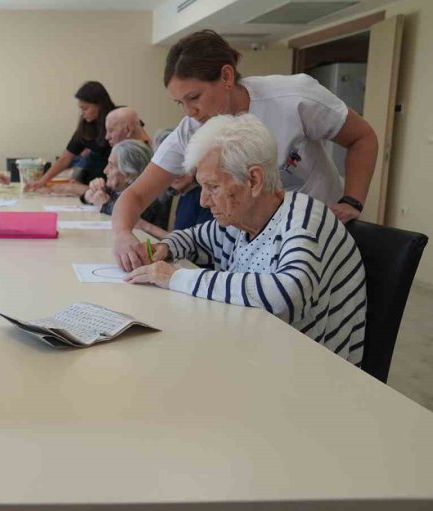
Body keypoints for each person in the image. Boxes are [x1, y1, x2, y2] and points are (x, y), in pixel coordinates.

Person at [111, 30, 379, 271]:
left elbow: (362, 138)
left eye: (194, 98)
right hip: (255, 239)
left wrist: (352, 201)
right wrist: (123, 234)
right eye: (180, 102)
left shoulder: (294, 98)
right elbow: (135, 194)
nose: (189, 112)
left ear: (226, 76)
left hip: (312, 234)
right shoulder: (192, 128)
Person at [126, 114, 366, 364]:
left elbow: (285, 295)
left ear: (253, 180)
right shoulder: (241, 218)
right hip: (260, 350)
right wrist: (165, 248)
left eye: (213, 187)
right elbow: (196, 238)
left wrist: (175, 277)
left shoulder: (304, 221)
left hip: (314, 372)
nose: (203, 200)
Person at [26, 81, 118, 189]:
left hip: (115, 183)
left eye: (85, 108)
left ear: (100, 105)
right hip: (93, 185)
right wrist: (43, 180)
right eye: (81, 108)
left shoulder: (120, 117)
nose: (82, 113)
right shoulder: (86, 126)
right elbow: (66, 158)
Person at [81, 140, 166, 227]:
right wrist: (92, 192)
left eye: (111, 166)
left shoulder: (147, 197)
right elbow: (90, 197)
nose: (105, 171)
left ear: (129, 174)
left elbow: (128, 216)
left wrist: (104, 205)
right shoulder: (115, 189)